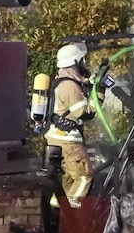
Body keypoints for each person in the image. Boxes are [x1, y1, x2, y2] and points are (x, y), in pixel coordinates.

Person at [45, 42, 105, 209]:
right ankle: (72, 210)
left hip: (58, 137)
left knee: (69, 178)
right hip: (69, 141)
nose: (84, 63)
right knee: (84, 176)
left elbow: (80, 83)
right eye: (82, 60)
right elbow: (86, 113)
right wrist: (100, 92)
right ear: (75, 62)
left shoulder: (63, 79)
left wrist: (93, 80)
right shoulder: (70, 86)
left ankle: (56, 209)